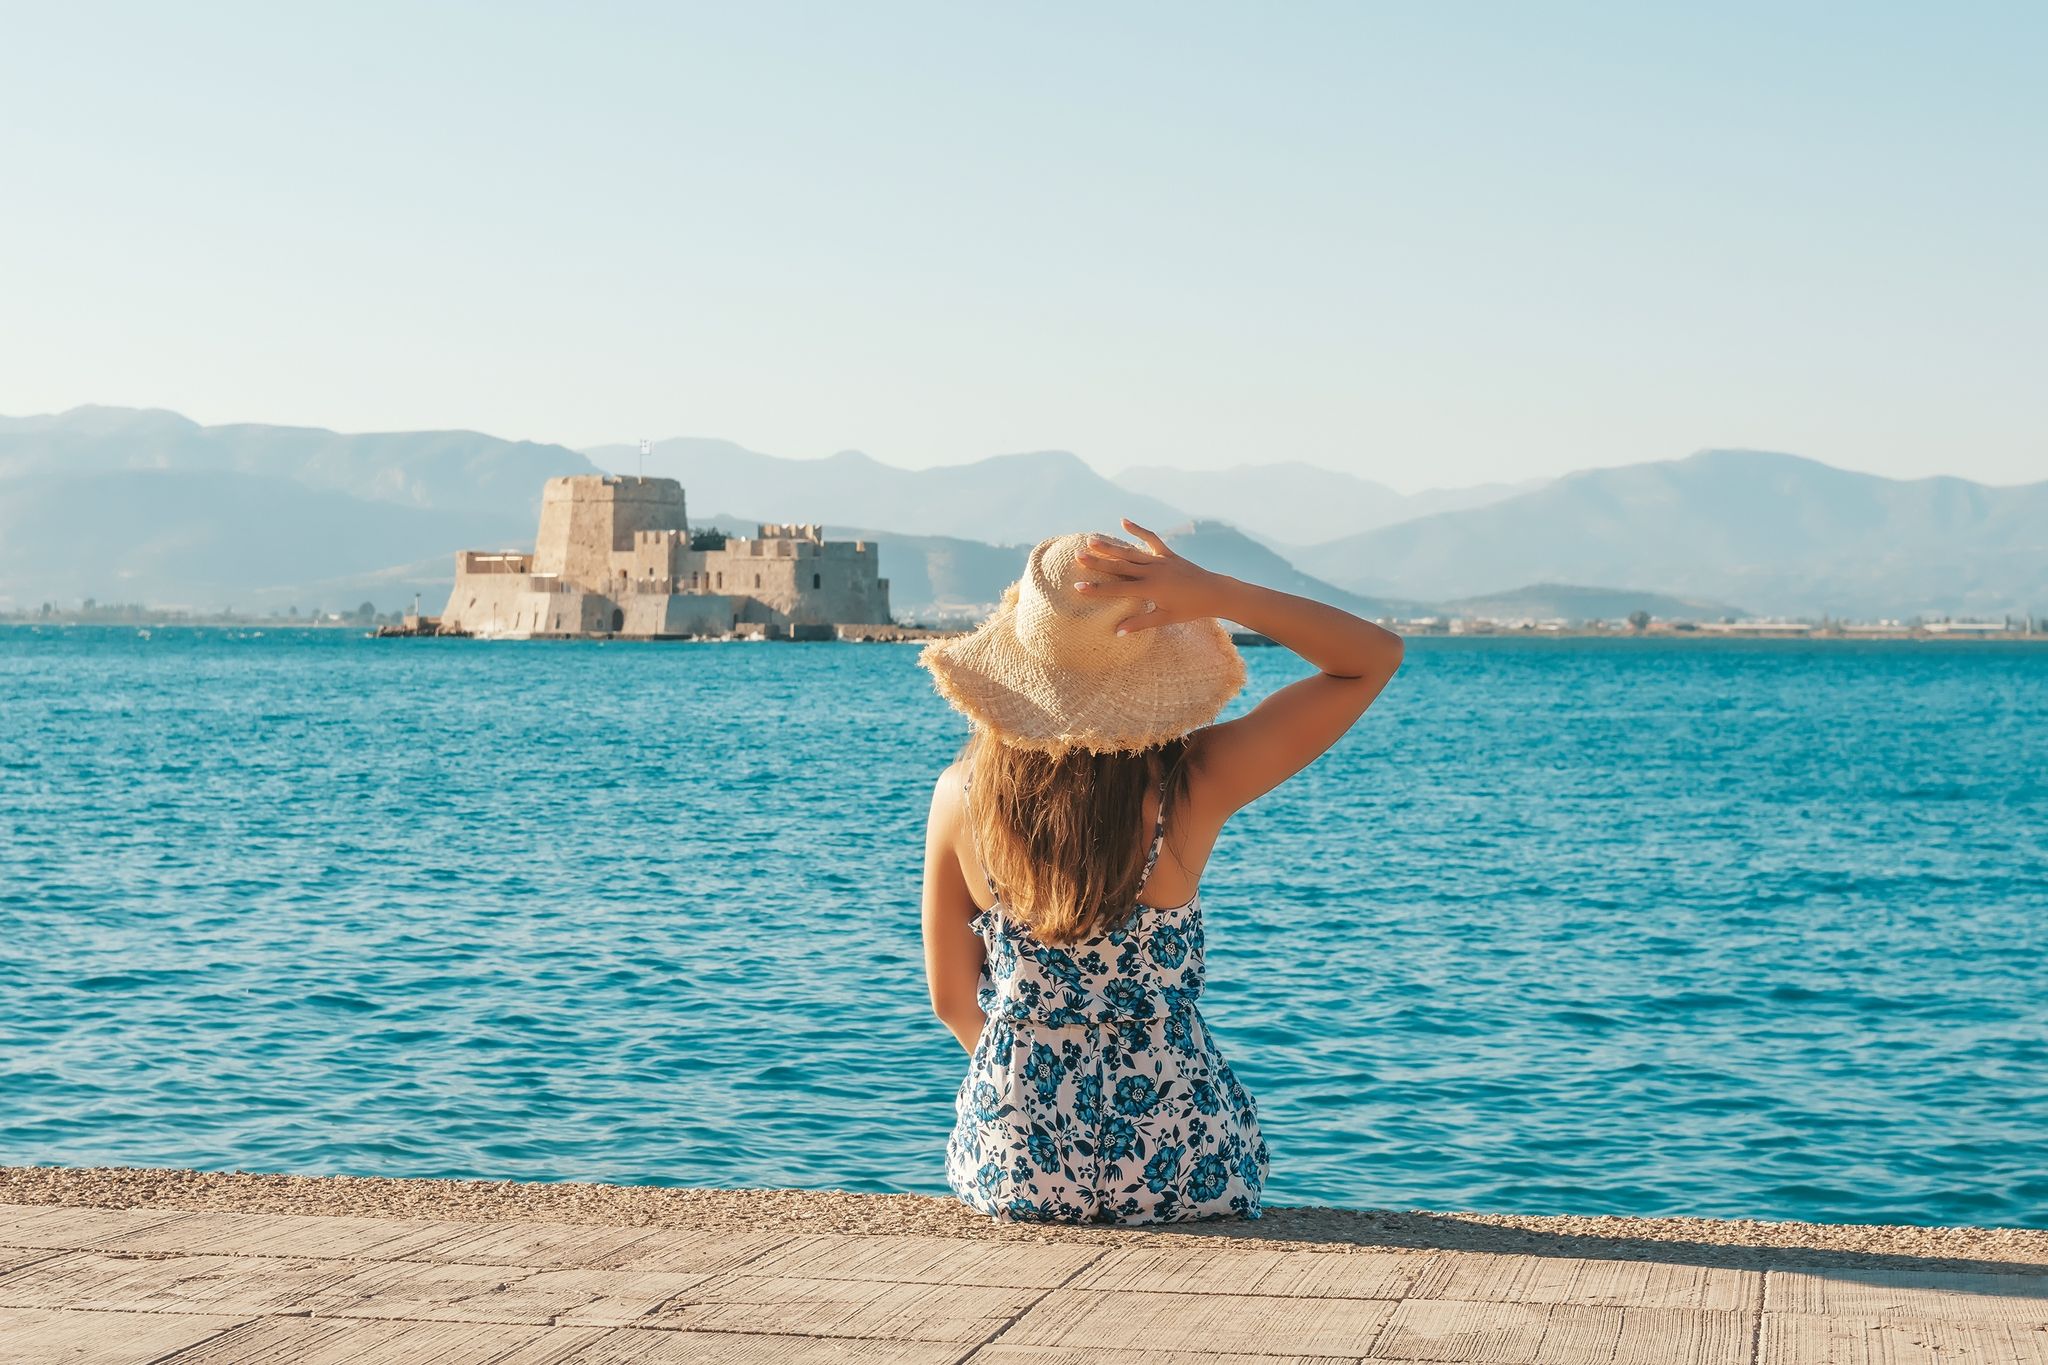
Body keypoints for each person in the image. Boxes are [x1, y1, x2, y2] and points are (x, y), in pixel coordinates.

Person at [917, 518, 1404, 1224]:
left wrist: (1037, 1083)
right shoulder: (1193, 783)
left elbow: (952, 1000)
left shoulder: (958, 796)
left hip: (1020, 1160)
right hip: (1180, 1156)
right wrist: (1217, 591)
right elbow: (1372, 657)